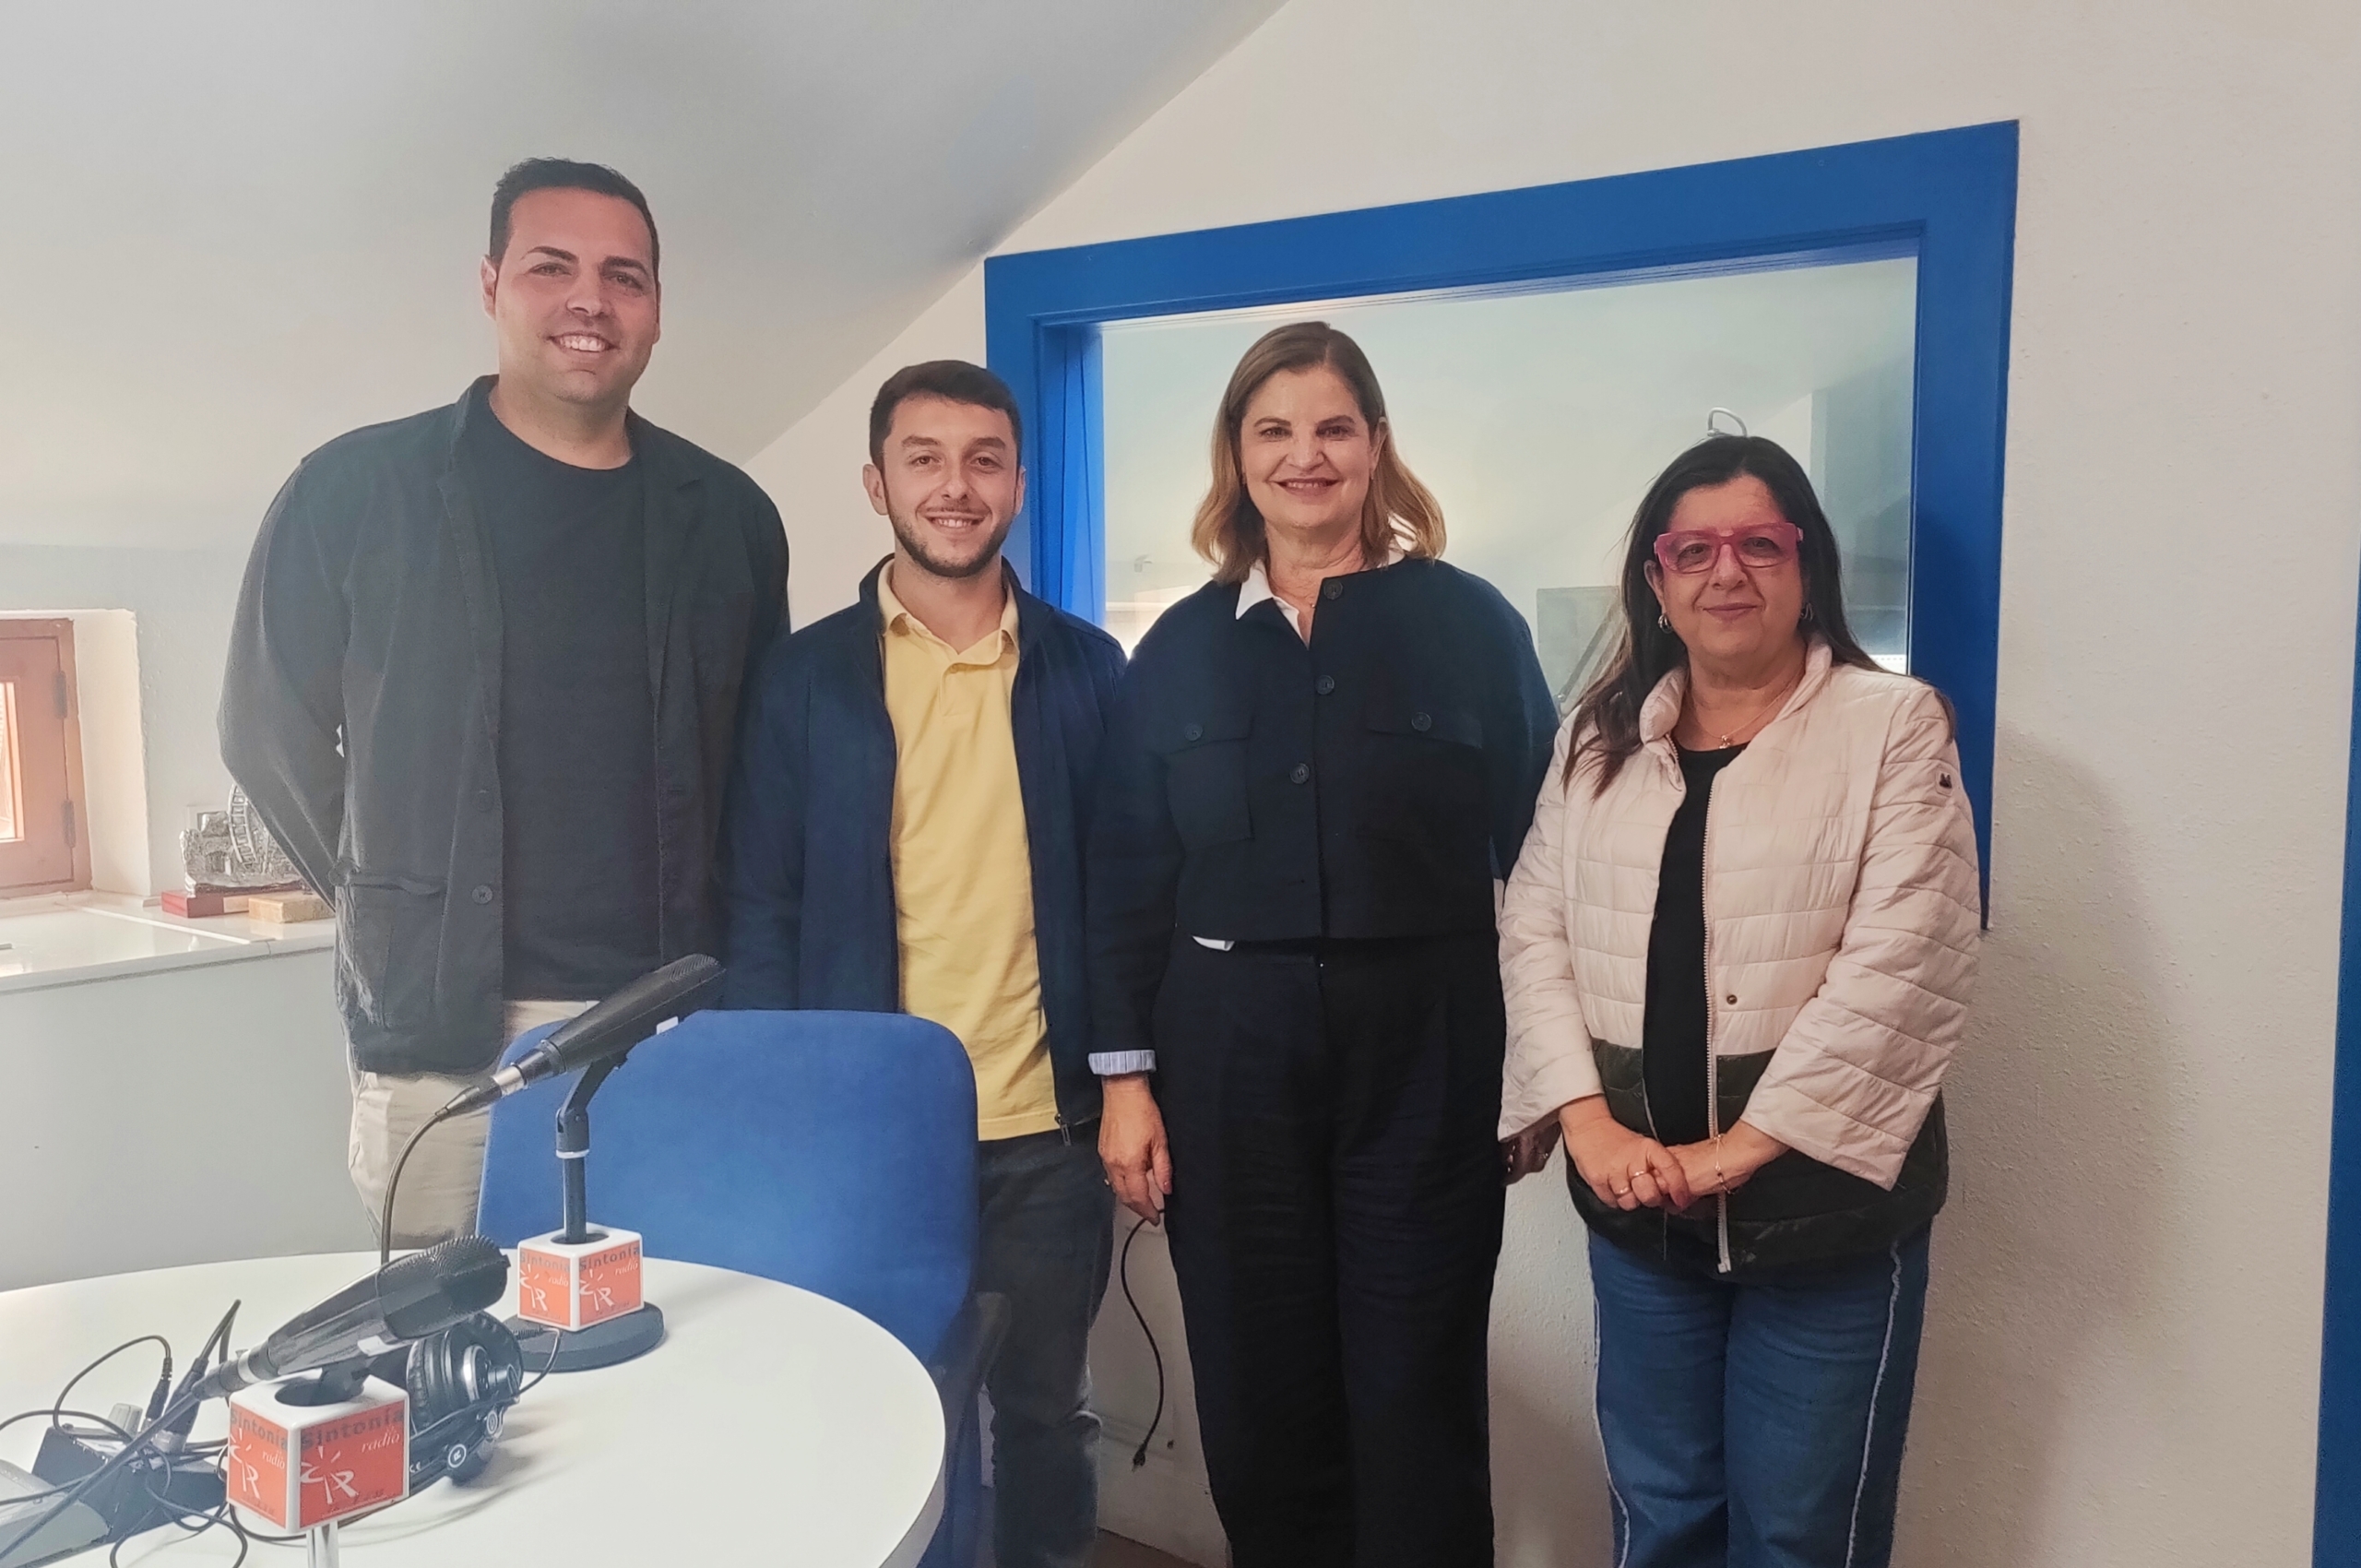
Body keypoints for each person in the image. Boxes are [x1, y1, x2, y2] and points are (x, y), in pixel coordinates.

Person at [220, 158, 789, 1247]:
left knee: (682, 1322)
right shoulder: (354, 492)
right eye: (551, 267)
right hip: (448, 1039)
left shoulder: (729, 517)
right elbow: (263, 728)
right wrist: (396, 900)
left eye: (624, 276)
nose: (590, 300)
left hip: (670, 1024)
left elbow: (760, 768)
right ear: (490, 284)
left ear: (657, 307)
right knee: (451, 1341)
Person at [1088, 321, 1558, 1568]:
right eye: (1275, 430)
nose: (1306, 455)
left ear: (1376, 445)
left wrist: (1542, 1069)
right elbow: (1127, 874)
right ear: (1236, 454)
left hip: (1427, 1053)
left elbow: (1547, 859)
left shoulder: (1470, 625)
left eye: (1333, 427)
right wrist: (1125, 1080)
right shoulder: (1177, 648)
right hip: (1227, 1060)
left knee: (1417, 1386)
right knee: (1258, 1390)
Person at [1496, 434, 1981, 1568]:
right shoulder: (1596, 739)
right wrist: (1586, 1121)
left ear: (1805, 565)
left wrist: (1737, 1149)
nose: (1727, 571)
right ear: (1656, 580)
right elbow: (1533, 928)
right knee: (1662, 1513)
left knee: (1798, 1531)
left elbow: (1906, 959)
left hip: (1822, 1216)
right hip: (1639, 1211)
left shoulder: (1891, 724)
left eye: (1759, 543)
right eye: (1694, 549)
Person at [718, 361, 1125, 1568]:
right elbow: (760, 904)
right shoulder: (805, 680)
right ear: (876, 482)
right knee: (880, 1407)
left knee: (1046, 1414)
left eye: (984, 459)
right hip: (867, 1133)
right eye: (925, 458)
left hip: (1045, 1129)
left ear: (1019, 484)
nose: (957, 486)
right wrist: (778, 1105)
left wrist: (1130, 1082)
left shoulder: (1088, 670)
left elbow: (1129, 895)